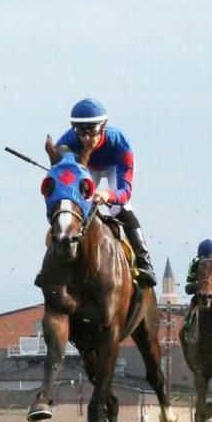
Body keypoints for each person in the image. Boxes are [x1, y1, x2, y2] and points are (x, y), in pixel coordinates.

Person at [53, 98, 157, 288]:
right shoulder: (66, 142)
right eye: (80, 131)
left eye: (91, 131)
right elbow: (62, 173)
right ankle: (54, 259)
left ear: (104, 126)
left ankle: (145, 263)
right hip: (86, 168)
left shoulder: (120, 142)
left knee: (120, 208)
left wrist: (108, 195)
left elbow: (125, 192)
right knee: (69, 204)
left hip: (113, 168)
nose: (85, 138)